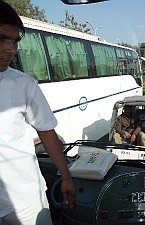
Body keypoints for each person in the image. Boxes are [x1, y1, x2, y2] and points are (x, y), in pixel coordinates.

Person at [0, 1, 76, 225]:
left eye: (14, 41)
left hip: (25, 202)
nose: (11, 49)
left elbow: (46, 131)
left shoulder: (23, 84)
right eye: (1, 38)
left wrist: (65, 176)